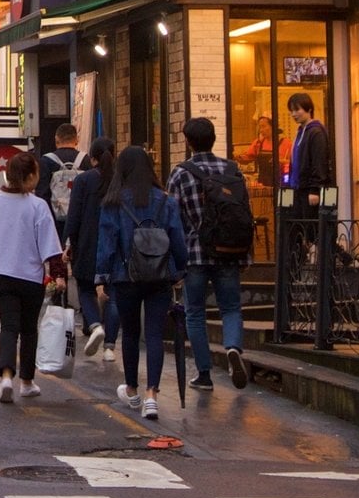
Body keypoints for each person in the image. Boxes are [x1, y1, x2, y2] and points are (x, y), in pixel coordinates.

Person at [0, 152, 67, 403]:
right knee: (29, 330)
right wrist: (58, 275)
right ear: (31, 176)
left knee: (8, 327)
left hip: (1, 274)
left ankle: (6, 377)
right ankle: (27, 382)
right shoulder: (37, 206)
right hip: (30, 277)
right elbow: (51, 247)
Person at [96, 144, 187, 420]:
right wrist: (180, 271)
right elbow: (178, 240)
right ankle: (152, 397)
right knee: (155, 334)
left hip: (125, 276)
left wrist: (101, 278)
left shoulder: (113, 202)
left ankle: (133, 390)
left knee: (131, 333)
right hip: (159, 276)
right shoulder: (166, 201)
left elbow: (106, 243)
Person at [167, 117, 252, 391]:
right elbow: (243, 214)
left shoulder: (181, 174)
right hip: (229, 251)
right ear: (214, 139)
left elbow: (173, 219)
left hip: (194, 254)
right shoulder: (232, 170)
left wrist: (173, 261)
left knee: (194, 313)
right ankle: (233, 348)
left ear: (189, 142)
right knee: (230, 307)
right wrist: (246, 255)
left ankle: (204, 374)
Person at [66, 137, 120, 362]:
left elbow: (74, 215)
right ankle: (109, 348)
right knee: (113, 294)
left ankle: (96, 325)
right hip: (115, 244)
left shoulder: (84, 180)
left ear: (92, 158)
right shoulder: (121, 180)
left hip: (87, 243)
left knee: (86, 289)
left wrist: (69, 243)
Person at [286, 93, 334, 202]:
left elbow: (319, 161)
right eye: (291, 111)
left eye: (297, 110)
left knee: (310, 218)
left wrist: (315, 190)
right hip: (298, 188)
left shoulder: (316, 132)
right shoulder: (300, 131)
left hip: (309, 190)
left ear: (309, 109)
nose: (294, 114)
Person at [36, 123, 81, 223]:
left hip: (54, 219)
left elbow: (42, 194)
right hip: (80, 219)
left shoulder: (46, 161)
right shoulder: (85, 160)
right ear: (76, 139)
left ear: (56, 139)